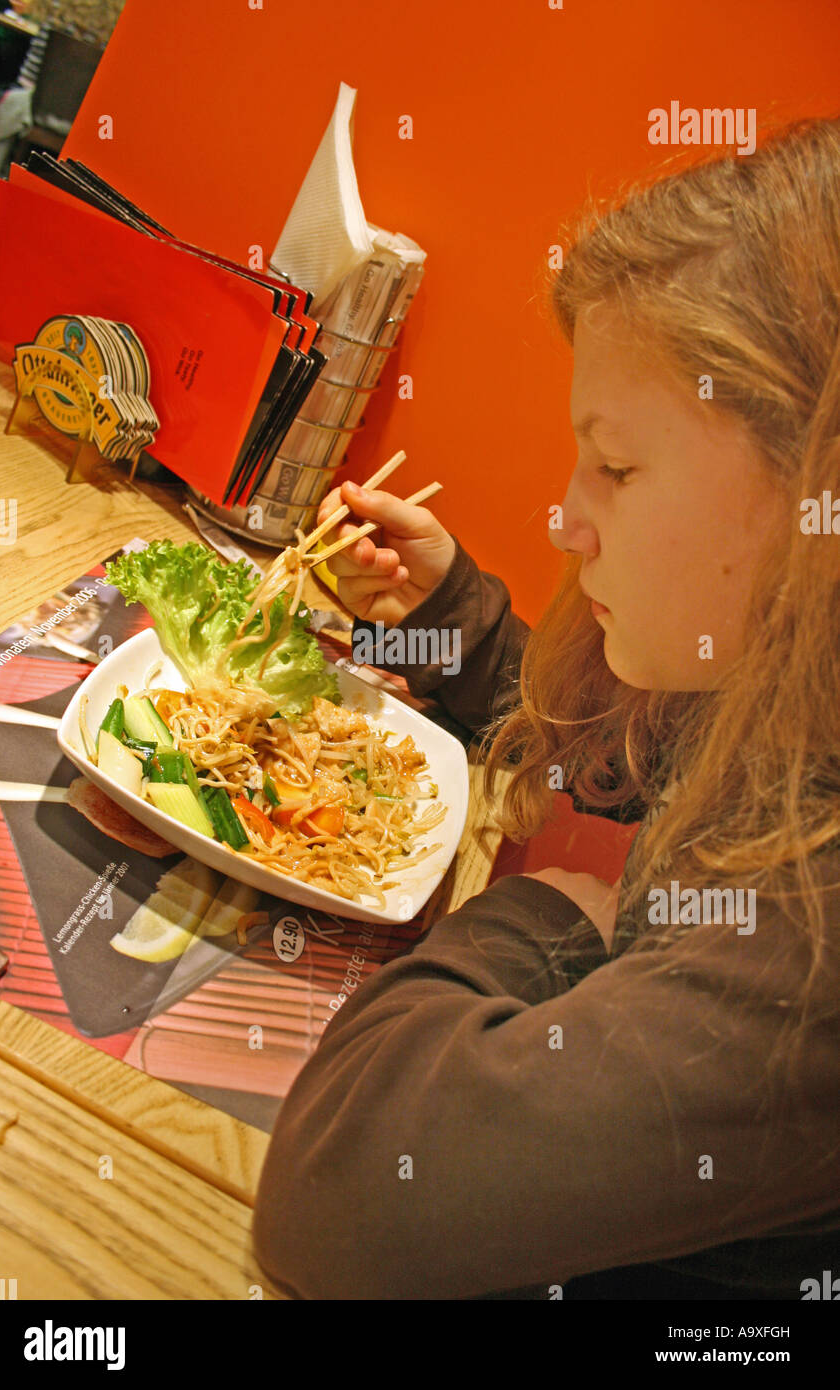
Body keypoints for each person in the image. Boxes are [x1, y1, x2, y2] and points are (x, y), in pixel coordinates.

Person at [252, 114, 840, 1300]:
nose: (566, 521)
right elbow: (615, 754)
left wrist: (540, 918)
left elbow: (344, 1204)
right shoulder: (781, 700)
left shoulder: (802, 939)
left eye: (614, 468)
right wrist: (450, 613)